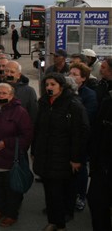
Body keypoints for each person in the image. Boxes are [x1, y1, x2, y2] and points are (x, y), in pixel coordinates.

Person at [32, 72, 89, 231]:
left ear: (61, 86)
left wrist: (76, 158)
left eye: (52, 85)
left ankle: (61, 223)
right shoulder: (44, 103)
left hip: (63, 157)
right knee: (49, 191)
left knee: (59, 192)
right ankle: (53, 221)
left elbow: (81, 133)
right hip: (46, 155)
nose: (49, 88)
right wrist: (35, 149)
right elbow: (38, 128)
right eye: (47, 85)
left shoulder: (73, 105)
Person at [0, 83, 33, 227]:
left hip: (10, 158)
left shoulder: (20, 112)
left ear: (11, 95)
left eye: (4, 93)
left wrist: (7, 142)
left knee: (12, 189)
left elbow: (26, 136)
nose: (1, 96)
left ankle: (11, 214)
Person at [67, 62, 98, 213]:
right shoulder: (65, 92)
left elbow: (87, 118)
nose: (71, 77)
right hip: (65, 139)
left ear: (83, 78)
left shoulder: (89, 95)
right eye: (70, 73)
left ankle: (81, 195)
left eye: (75, 75)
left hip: (81, 140)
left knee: (80, 170)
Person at [88, 56, 112, 231]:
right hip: (103, 164)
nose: (101, 69)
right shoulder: (107, 100)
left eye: (104, 67)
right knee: (96, 201)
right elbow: (98, 132)